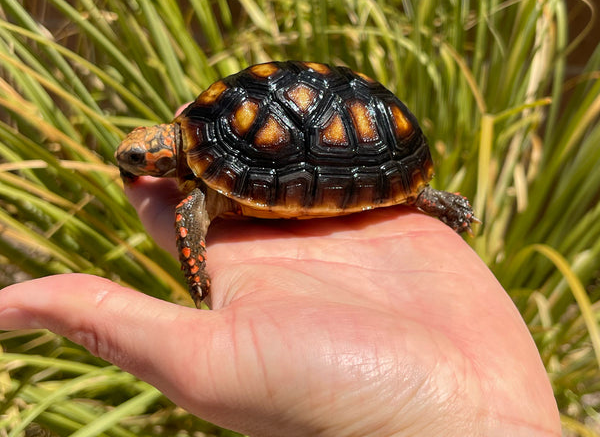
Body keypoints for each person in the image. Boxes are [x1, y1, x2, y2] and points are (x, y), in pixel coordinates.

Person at [0, 176, 561, 436]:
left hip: (347, 147)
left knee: (190, 215)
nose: (135, 167)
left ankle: (418, 192)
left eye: (144, 159)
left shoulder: (201, 189)